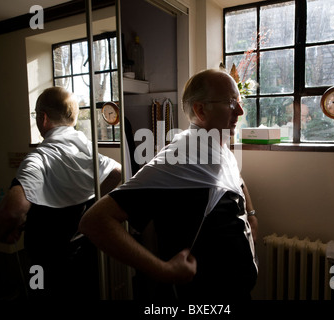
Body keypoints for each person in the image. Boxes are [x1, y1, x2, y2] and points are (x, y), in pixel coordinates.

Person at [79, 69, 258, 301]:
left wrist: (251, 216)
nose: (240, 112)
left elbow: (236, 179)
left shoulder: (218, 149)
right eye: (231, 103)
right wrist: (162, 271)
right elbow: (94, 221)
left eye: (240, 102)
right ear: (200, 110)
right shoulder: (176, 160)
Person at [0, 86, 122, 299]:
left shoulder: (39, 158)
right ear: (72, 118)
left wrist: (0, 232)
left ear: (43, 118)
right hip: (84, 258)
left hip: (46, 265)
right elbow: (117, 172)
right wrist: (92, 199)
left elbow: (13, 210)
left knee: (40, 294)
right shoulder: (88, 150)